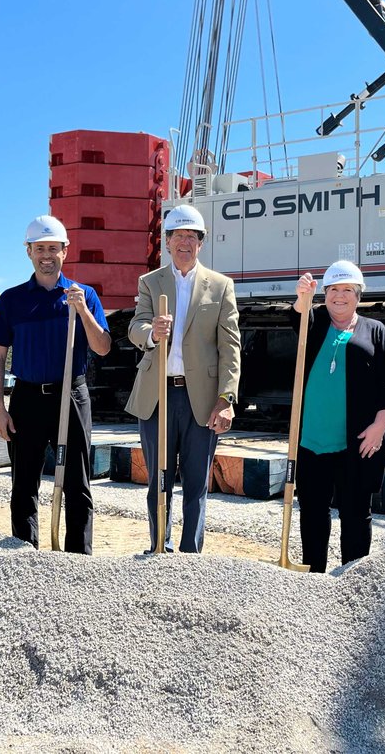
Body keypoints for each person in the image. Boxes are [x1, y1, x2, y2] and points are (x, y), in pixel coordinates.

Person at [0, 215, 110, 552]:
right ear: (28, 251)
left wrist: (83, 312)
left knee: (77, 482)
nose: (46, 255)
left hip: (71, 394)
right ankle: (24, 552)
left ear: (65, 251)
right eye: (40, 248)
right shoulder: (11, 300)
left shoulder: (84, 295)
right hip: (27, 397)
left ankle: (77, 558)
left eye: (53, 248)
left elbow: (102, 347)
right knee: (23, 483)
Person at [125, 204, 241, 553]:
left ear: (201, 243)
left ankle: (190, 554)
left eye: (192, 237)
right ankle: (159, 546)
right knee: (158, 480)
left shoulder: (220, 286)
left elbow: (230, 347)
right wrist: (152, 333)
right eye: (179, 236)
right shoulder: (150, 282)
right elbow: (135, 326)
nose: (185, 243)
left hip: (201, 400)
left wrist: (226, 399)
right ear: (168, 241)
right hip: (157, 396)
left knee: (196, 483)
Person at [292, 261, 385, 573]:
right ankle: (314, 576)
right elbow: (297, 316)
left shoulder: (374, 331)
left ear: (358, 295)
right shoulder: (313, 323)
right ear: (325, 294)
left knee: (355, 513)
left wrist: (379, 427)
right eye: (334, 290)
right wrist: (302, 297)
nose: (340, 296)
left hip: (358, 441)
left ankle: (352, 576)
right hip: (311, 439)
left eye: (348, 290)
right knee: (312, 511)